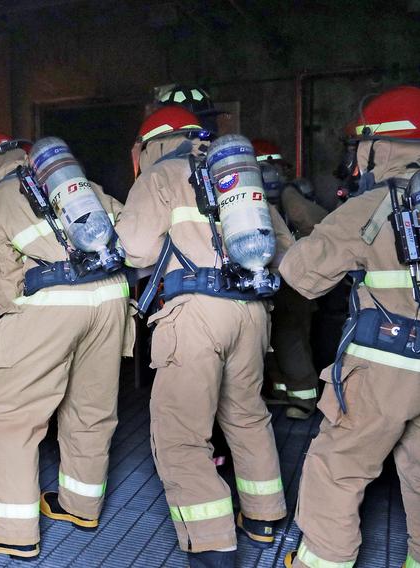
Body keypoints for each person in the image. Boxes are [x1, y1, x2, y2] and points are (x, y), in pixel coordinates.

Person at [116, 106, 293, 568]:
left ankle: (213, 546)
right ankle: (265, 517)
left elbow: (135, 250)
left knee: (181, 435)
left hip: (193, 313)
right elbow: (285, 250)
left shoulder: (161, 175)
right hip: (252, 313)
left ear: (152, 143)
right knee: (248, 416)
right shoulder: (238, 176)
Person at [0, 132, 133, 558]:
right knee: (91, 406)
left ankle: (14, 533)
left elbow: (0, 286)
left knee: (6, 415)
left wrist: (20, 331)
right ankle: (80, 505)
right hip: (111, 297)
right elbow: (128, 236)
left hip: (53, 302)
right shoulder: (78, 187)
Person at [281, 85, 420, 568]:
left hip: (384, 363)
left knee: (338, 467)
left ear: (379, 146)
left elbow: (302, 276)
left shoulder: (372, 206)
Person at [254, 139, 328, 419]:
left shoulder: (286, 195)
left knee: (290, 337)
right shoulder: (262, 197)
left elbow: (315, 221)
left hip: (289, 279)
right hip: (275, 277)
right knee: (274, 338)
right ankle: (283, 392)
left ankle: (304, 399)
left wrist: (301, 254)